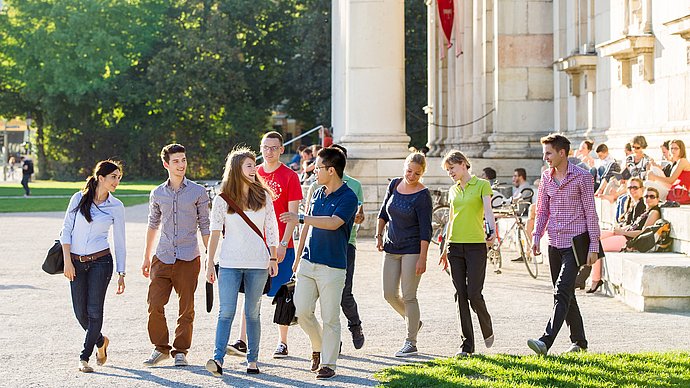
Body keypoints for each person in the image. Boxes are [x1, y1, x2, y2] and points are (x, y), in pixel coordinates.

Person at [280, 147, 358, 380]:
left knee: (330, 317)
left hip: (333, 266)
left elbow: (334, 223)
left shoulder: (348, 197)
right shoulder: (316, 193)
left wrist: (302, 217)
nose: (314, 172)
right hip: (307, 261)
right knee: (302, 311)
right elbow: (306, 226)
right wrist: (297, 256)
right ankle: (318, 346)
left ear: (331, 170)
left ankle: (328, 363)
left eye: (319, 168)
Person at [227, 131, 303, 359]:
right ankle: (242, 340)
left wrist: (282, 244)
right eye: (265, 147)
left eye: (274, 147)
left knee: (282, 294)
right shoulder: (253, 173)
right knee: (251, 292)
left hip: (282, 245)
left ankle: (283, 342)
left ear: (281, 149)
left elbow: (292, 214)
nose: (269, 151)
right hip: (255, 246)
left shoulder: (290, 176)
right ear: (260, 148)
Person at [204, 148, 279, 377]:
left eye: (254, 165)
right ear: (236, 169)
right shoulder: (222, 199)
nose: (254, 169)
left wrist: (273, 257)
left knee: (252, 313)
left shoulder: (263, 196)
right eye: (248, 165)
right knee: (226, 311)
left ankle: (253, 360)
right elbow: (214, 232)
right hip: (229, 263)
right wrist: (209, 264)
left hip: (258, 263)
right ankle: (218, 359)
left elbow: (272, 228)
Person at [528, 133, 600, 356]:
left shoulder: (582, 177)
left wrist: (594, 247)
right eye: (544, 153)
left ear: (562, 152)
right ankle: (579, 342)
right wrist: (536, 236)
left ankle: (545, 341)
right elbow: (542, 210)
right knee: (566, 294)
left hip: (575, 245)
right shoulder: (546, 178)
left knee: (561, 292)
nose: (545, 157)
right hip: (554, 244)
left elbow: (591, 213)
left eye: (548, 153)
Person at [141, 143, 210, 367]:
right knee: (154, 303)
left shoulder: (198, 192)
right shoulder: (157, 193)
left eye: (183, 160)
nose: (181, 165)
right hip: (162, 256)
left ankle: (181, 351)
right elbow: (152, 225)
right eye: (176, 161)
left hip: (189, 256)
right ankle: (160, 348)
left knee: (186, 307)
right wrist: (146, 256)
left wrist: (210, 257)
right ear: (166, 164)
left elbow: (205, 226)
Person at [60, 160, 126, 373]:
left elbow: (120, 241)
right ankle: (100, 341)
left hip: (101, 262)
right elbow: (66, 231)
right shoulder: (78, 199)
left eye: (119, 177)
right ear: (101, 178)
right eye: (113, 177)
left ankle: (84, 357)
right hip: (76, 263)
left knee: (94, 312)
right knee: (81, 314)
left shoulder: (116, 206)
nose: (117, 181)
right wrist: (68, 261)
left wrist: (121, 272)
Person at [302, 144, 366, 350]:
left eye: (319, 166)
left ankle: (354, 326)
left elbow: (350, 217)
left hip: (345, 244)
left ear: (334, 167)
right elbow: (311, 221)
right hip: (316, 249)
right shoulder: (317, 189)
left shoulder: (353, 187)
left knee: (344, 293)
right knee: (307, 306)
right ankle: (328, 343)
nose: (315, 170)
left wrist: (355, 217)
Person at [439, 150, 497, 357]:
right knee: (460, 295)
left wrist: (492, 233)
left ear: (463, 164)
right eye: (448, 170)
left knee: (473, 293)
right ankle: (467, 345)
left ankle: (486, 324)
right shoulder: (452, 190)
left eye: (451, 168)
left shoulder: (482, 185)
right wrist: (444, 248)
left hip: (476, 246)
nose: (450, 173)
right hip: (454, 246)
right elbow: (451, 219)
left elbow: (489, 212)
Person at [375, 152, 432, 357]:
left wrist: (422, 257)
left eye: (417, 173)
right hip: (391, 248)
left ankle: (411, 341)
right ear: (404, 167)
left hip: (412, 249)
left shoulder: (423, 196)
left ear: (422, 173)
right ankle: (414, 322)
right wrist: (378, 235)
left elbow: (426, 230)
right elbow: (383, 213)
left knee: (409, 296)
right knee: (389, 294)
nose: (411, 176)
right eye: (409, 171)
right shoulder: (394, 185)